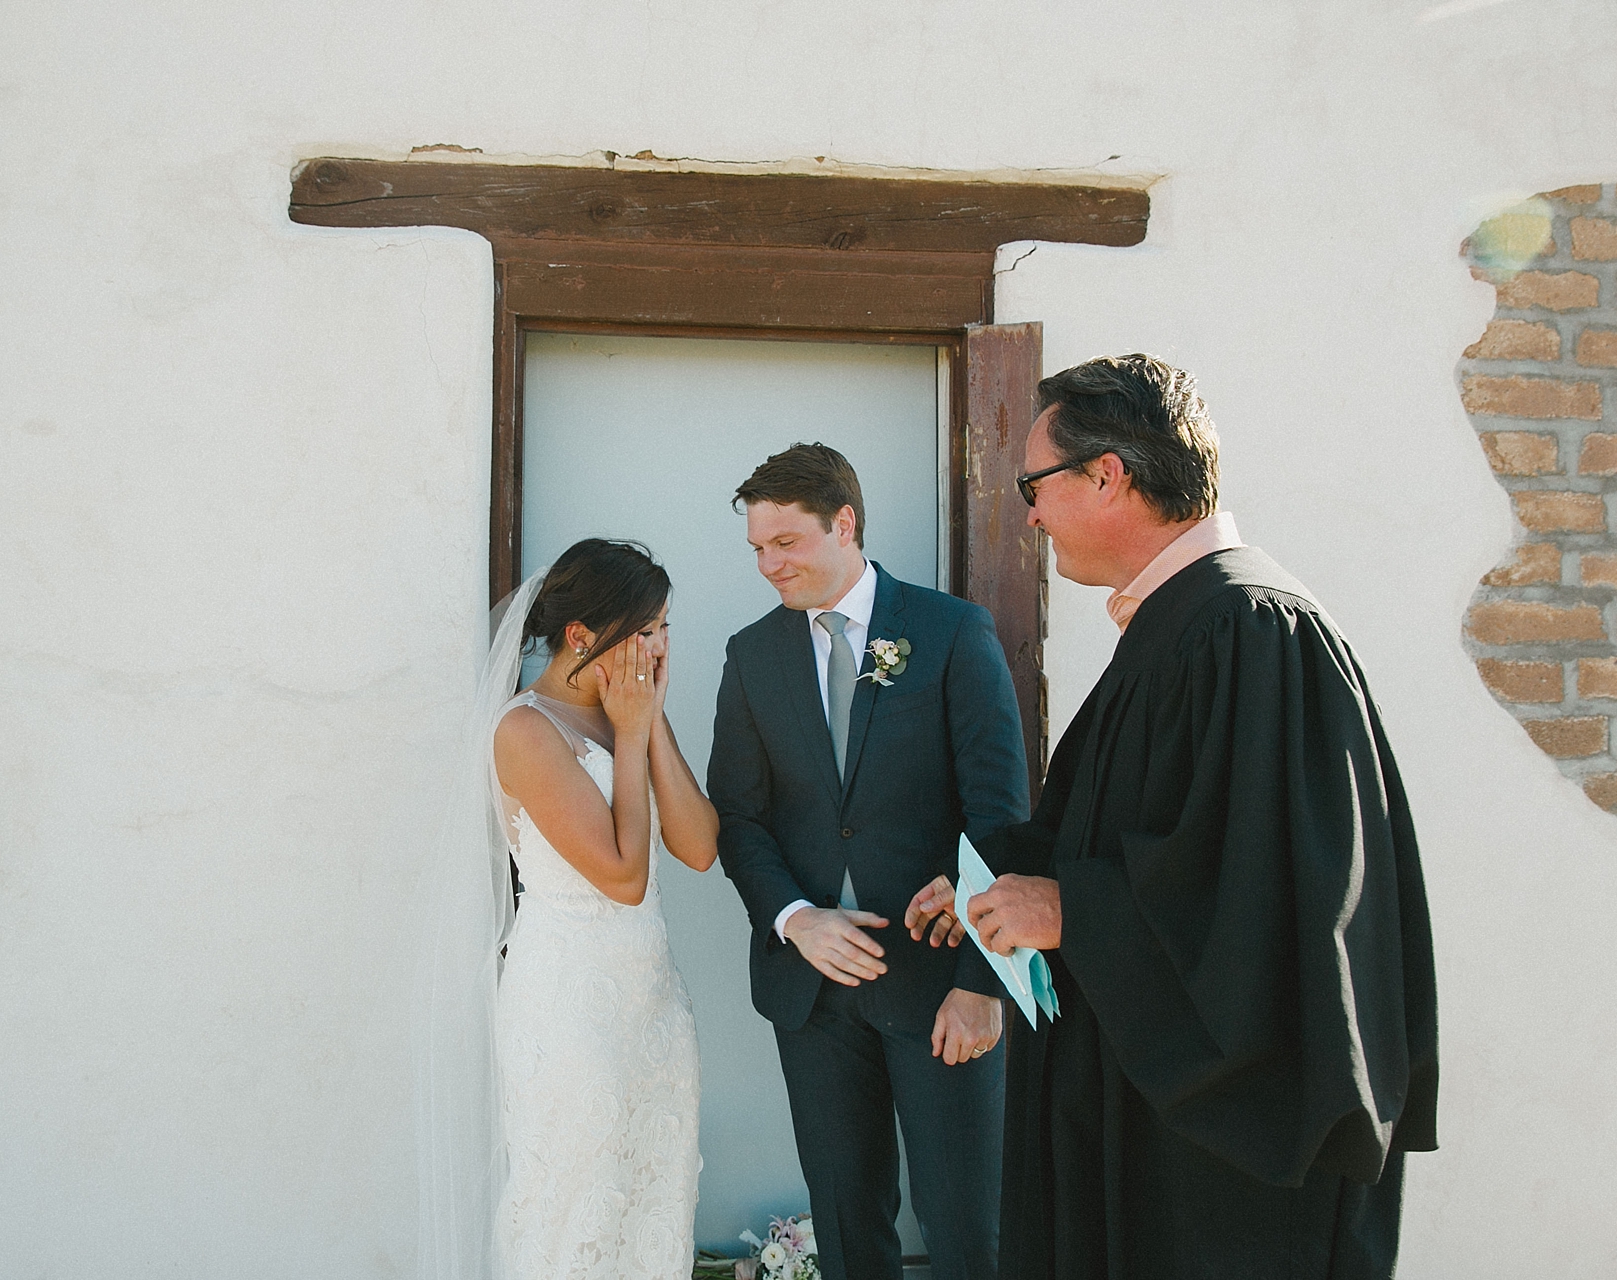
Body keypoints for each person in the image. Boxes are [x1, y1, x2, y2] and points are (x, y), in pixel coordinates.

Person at [918, 355, 1438, 1279]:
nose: (1028, 515)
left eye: (1035, 486)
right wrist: (998, 886)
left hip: (1224, 1162)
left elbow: (1270, 895)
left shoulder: (1250, 630)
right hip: (1149, 1122)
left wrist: (1071, 910)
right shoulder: (1181, 625)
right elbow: (1128, 832)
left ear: (1108, 475)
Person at [708, 444, 1031, 1280]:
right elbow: (739, 819)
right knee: (850, 1232)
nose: (768, 565)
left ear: (844, 523)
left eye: (785, 543)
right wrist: (794, 919)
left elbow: (1001, 818)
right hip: (813, 995)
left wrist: (980, 982)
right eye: (756, 549)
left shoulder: (952, 632)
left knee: (970, 1231)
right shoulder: (752, 657)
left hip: (941, 986)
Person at [487, 538, 722, 1279]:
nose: (658, 645)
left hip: (650, 999)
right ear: (582, 636)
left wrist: (646, 726)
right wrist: (630, 733)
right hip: (567, 1003)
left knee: (653, 1201)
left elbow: (699, 845)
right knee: (574, 1206)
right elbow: (623, 876)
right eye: (643, 629)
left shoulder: (633, 714)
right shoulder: (526, 730)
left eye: (663, 627)